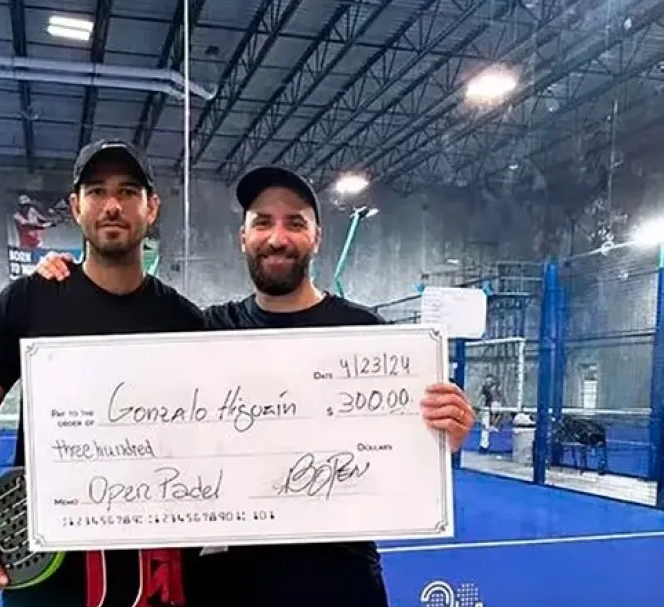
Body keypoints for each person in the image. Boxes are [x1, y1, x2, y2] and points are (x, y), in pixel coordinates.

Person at [33, 165, 476, 607]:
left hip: (339, 581)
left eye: (295, 223)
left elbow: (406, 453)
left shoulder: (367, 334)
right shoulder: (207, 330)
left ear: (317, 237)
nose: (277, 237)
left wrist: (442, 435)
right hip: (231, 584)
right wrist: (73, 279)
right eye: (262, 222)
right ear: (242, 237)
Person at [0, 139, 206, 607]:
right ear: (76, 207)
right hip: (49, 565)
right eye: (97, 191)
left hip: (154, 561)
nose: (112, 205)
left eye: (128, 191)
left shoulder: (185, 321)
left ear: (152, 207)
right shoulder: (28, 300)